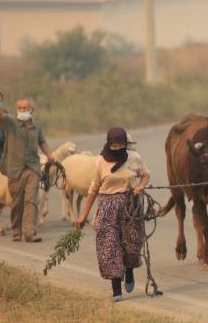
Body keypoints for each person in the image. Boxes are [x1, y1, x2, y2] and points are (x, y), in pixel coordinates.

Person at [75, 127, 150, 302]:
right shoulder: (101, 161)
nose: (117, 148)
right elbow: (93, 189)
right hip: (107, 205)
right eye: (114, 145)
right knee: (109, 246)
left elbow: (146, 175)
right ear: (108, 144)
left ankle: (129, 270)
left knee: (132, 243)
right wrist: (82, 215)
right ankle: (116, 288)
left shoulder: (134, 158)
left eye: (120, 145)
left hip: (130, 205)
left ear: (125, 144)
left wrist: (139, 186)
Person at [0, 97, 55, 242]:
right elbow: (2, 116)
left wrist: (50, 155)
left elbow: (42, 142)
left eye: (25, 108)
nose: (22, 110)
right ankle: (16, 230)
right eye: (19, 108)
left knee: (31, 200)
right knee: (17, 202)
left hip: (32, 168)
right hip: (15, 169)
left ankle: (30, 232)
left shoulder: (37, 126)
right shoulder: (12, 123)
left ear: (31, 110)